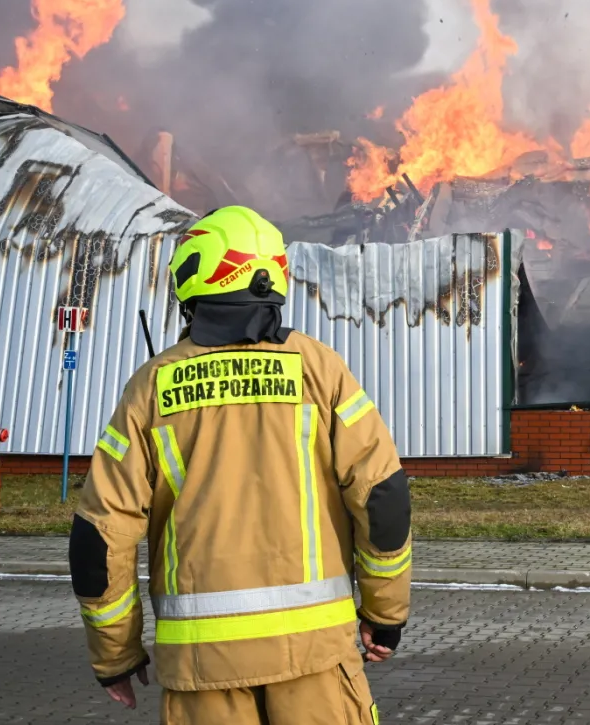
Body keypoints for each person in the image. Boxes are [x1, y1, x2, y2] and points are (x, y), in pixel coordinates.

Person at [70, 206, 412, 724]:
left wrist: (115, 653)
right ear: (273, 275)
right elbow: (383, 498)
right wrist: (384, 614)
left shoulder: (152, 387)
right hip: (315, 656)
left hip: (201, 668)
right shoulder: (320, 371)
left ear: (192, 279)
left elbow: (99, 535)